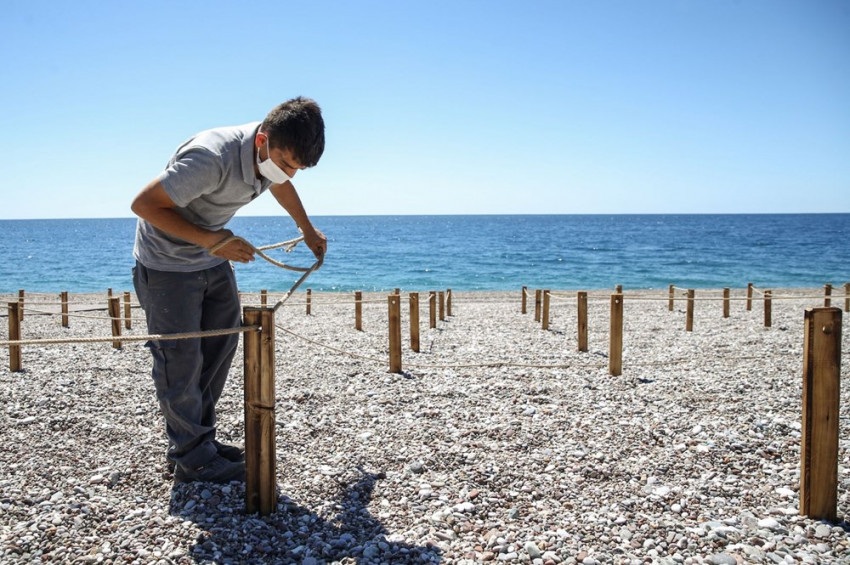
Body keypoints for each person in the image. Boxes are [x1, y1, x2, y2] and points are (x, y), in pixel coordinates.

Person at [131, 97, 327, 483]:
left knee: (220, 349)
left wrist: (307, 228)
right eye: (286, 163)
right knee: (180, 359)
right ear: (262, 142)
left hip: (210, 257)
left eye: (297, 168)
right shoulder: (210, 158)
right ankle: (192, 458)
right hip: (167, 264)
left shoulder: (271, 151)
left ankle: (197, 441)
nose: (289, 173)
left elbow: (279, 182)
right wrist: (213, 241)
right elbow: (144, 205)